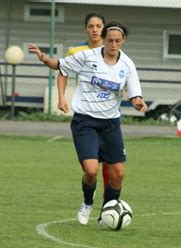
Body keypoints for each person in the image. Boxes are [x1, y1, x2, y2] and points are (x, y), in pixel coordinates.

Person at [28, 21, 147, 225]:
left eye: (118, 41)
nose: (113, 45)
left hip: (110, 123)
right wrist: (44, 58)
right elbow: (60, 65)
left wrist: (138, 102)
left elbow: (135, 94)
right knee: (91, 170)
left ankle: (107, 214)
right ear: (103, 39)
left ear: (123, 41)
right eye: (109, 40)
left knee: (118, 173)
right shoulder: (87, 57)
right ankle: (87, 202)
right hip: (85, 121)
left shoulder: (127, 65)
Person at [56, 12, 112, 204]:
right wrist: (62, 97)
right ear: (85, 29)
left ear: (104, 28)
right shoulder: (76, 52)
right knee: (90, 166)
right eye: (91, 26)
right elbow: (63, 72)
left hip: (108, 114)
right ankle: (90, 189)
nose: (95, 30)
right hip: (86, 113)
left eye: (99, 26)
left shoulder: (112, 50)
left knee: (110, 163)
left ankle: (108, 202)